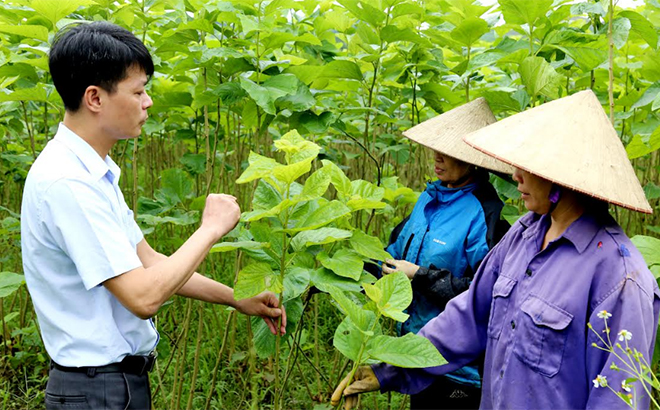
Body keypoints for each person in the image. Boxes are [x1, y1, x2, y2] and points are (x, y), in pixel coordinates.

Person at [331, 90, 660, 409]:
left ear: (562, 176)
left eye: (527, 166)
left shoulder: (620, 280)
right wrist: (389, 368)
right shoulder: (523, 236)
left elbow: (618, 397)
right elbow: (468, 319)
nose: (515, 175)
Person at [21, 21, 286, 410]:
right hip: (96, 392)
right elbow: (144, 297)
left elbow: (150, 263)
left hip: (110, 386)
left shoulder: (93, 173)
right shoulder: (68, 183)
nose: (147, 103)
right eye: (138, 92)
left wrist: (237, 298)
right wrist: (209, 230)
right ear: (95, 98)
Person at [378, 98, 513, 409]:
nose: (437, 158)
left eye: (449, 152)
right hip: (416, 352)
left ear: (473, 161)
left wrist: (418, 276)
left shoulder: (484, 215)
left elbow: (482, 295)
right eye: (437, 148)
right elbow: (391, 256)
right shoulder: (427, 201)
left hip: (459, 371)